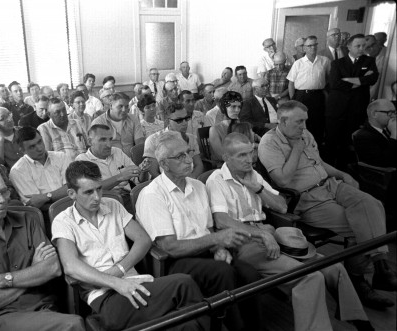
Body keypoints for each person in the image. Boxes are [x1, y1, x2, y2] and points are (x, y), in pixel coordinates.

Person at [207, 132, 375, 330]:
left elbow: (281, 206)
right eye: (241, 155)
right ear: (226, 157)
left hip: (271, 235)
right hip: (244, 242)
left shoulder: (253, 174)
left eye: (251, 153)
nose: (250, 160)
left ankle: (359, 321)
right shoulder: (216, 180)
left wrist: (258, 189)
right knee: (310, 277)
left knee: (333, 267)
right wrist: (262, 234)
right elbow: (222, 220)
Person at [258, 100, 397, 308]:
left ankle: (380, 266)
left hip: (331, 185)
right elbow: (282, 181)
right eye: (299, 122)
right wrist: (296, 149)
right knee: (358, 225)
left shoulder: (305, 134)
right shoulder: (269, 143)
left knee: (373, 204)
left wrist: (342, 174)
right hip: (307, 199)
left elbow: (319, 163)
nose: (304, 127)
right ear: (283, 120)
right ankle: (360, 282)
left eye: (305, 121)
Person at [52, 161, 210, 331]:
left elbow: (143, 239)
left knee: (189, 325)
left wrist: (119, 270)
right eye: (88, 192)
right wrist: (115, 282)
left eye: (99, 188)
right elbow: (70, 266)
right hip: (105, 298)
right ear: (71, 193)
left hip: (134, 284)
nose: (97, 197)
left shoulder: (113, 205)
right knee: (183, 284)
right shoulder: (63, 221)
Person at [136, 132, 263, 331]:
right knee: (223, 273)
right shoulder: (152, 195)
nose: (188, 160)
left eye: (188, 152)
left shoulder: (198, 186)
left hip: (206, 250)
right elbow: (170, 247)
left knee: (250, 274)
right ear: (164, 164)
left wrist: (218, 247)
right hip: (174, 261)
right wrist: (216, 239)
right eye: (180, 156)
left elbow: (208, 228)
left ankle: (256, 327)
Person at [0, 167, 85, 331]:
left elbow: (53, 268)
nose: (2, 200)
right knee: (73, 324)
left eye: (4, 191)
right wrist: (33, 273)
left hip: (43, 310)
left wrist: (1, 280)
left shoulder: (27, 221)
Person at [325, 34, 379, 169]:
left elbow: (372, 79)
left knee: (348, 142)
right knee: (331, 141)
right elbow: (335, 84)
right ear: (348, 47)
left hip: (357, 108)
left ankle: (345, 169)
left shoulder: (369, 61)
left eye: (363, 46)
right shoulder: (337, 63)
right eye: (358, 46)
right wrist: (361, 81)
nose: (361, 49)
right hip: (337, 108)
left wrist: (348, 80)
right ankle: (328, 169)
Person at [76, 124, 149, 213]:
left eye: (110, 139)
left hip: (128, 198)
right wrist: (120, 177)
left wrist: (143, 170)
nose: (109, 145)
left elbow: (138, 180)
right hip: (103, 203)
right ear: (90, 141)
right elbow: (90, 190)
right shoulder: (82, 160)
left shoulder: (117, 152)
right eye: (103, 140)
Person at [353, 99, 397, 213]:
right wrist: (394, 136)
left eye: (395, 112)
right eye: (389, 113)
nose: (393, 117)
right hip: (384, 177)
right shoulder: (364, 136)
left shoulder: (386, 130)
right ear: (374, 114)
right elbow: (384, 161)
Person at [287, 35, 330, 145]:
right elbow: (291, 83)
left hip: (318, 96)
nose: (313, 47)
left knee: (318, 122)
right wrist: (293, 100)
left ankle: (316, 148)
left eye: (315, 44)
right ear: (304, 48)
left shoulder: (325, 61)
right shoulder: (298, 63)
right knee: (301, 122)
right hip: (301, 96)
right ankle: (300, 147)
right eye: (309, 45)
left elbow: (330, 79)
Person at [144, 106, 204, 179]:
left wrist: (191, 179)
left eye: (186, 118)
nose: (185, 123)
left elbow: (199, 165)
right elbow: (153, 171)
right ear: (168, 121)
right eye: (179, 120)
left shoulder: (191, 138)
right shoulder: (153, 140)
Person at [91, 93, 145, 158]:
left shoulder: (133, 119)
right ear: (111, 106)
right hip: (109, 160)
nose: (124, 110)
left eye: (126, 106)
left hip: (131, 160)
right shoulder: (98, 123)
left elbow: (140, 142)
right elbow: (97, 149)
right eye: (120, 106)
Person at [209, 91, 244, 161]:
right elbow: (220, 155)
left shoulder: (241, 126)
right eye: (233, 107)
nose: (237, 110)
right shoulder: (215, 130)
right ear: (224, 108)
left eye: (239, 107)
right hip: (224, 166)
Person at [365, 35, 387, 100]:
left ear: (377, 43)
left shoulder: (388, 55)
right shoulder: (368, 59)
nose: (372, 49)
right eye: (368, 47)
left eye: (373, 44)